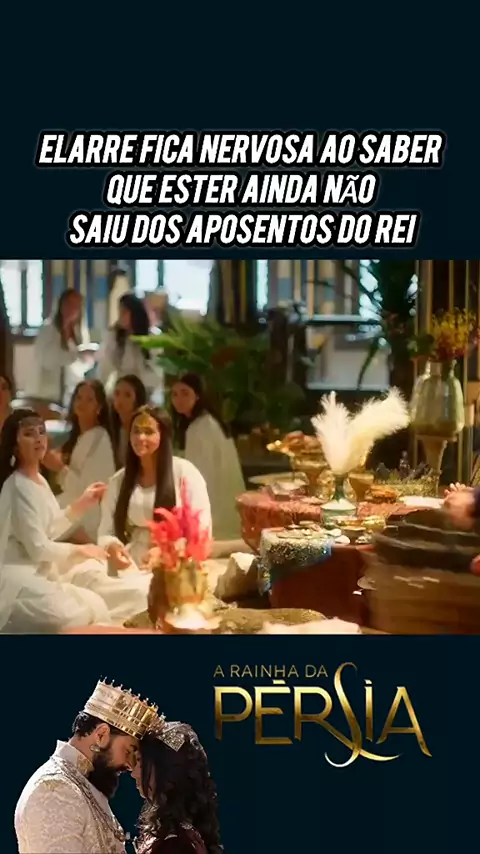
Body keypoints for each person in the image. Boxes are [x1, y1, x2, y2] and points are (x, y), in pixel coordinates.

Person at [0, 409, 147, 631]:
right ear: (14, 445)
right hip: (19, 577)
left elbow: (50, 528)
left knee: (93, 598)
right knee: (69, 613)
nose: (38, 438)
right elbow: (38, 548)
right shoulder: (18, 486)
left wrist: (83, 503)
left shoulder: (38, 480)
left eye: (41, 432)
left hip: (42, 571)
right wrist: (80, 550)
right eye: (29, 434)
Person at [14, 678, 160, 853]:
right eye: (128, 751)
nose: (130, 765)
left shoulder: (82, 784)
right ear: (101, 735)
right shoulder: (54, 788)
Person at [98, 406, 211, 571]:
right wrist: (113, 548)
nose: (140, 437)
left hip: (175, 564)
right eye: (136, 431)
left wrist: (165, 551)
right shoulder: (119, 480)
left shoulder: (185, 473)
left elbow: (201, 529)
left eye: (148, 432)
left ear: (163, 435)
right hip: (131, 562)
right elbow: (105, 532)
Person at [171, 373, 245, 540]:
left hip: (214, 505)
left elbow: (197, 473)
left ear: (197, 395)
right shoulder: (207, 421)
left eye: (185, 393)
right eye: (174, 394)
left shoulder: (201, 426)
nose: (178, 399)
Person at [132, 721, 223, 854]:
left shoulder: (175, 845)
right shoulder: (182, 834)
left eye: (140, 762)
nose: (134, 773)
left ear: (165, 770)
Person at [43, 380, 116, 541]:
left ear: (99, 407)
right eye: (79, 397)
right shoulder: (81, 437)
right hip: (75, 510)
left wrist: (60, 468)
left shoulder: (99, 438)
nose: (82, 403)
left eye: (90, 399)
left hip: (88, 520)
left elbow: (89, 490)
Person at [25, 289, 93, 405]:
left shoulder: (80, 332)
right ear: (61, 305)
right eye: (69, 304)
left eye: (77, 305)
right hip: (46, 393)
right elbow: (46, 359)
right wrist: (74, 356)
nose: (72, 309)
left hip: (70, 391)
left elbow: (81, 364)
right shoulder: (48, 329)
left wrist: (86, 358)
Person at [97, 292, 163, 398]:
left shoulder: (152, 337)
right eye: (119, 312)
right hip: (122, 393)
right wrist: (98, 391)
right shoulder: (114, 336)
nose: (120, 317)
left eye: (124, 312)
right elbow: (105, 366)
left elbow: (158, 372)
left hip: (146, 393)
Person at [111, 374, 148, 469]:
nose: (120, 399)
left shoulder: (143, 429)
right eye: (117, 393)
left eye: (127, 395)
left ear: (137, 399)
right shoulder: (112, 427)